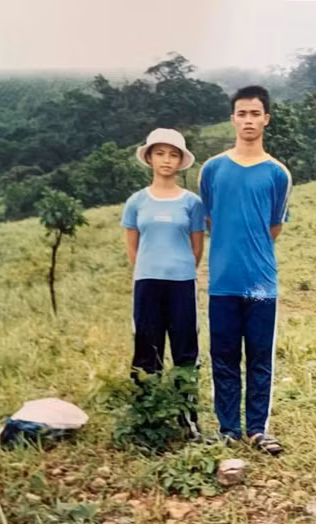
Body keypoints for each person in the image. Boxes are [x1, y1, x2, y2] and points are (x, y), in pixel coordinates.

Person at [198, 85, 292, 456]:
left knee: (258, 357)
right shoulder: (212, 169)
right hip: (222, 283)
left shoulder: (278, 174)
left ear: (266, 118)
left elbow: (274, 227)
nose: (248, 120)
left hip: (260, 286)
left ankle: (257, 429)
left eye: (255, 113)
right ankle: (228, 429)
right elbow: (209, 219)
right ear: (232, 118)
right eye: (242, 113)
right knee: (223, 356)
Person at [121, 127, 205, 442]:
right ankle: (147, 421)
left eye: (173, 154)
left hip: (182, 283)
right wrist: (151, 267)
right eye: (160, 153)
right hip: (147, 284)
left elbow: (197, 248)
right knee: (146, 350)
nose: (166, 160)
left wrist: (179, 267)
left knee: (185, 351)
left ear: (181, 160)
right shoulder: (136, 202)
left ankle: (189, 421)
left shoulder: (192, 203)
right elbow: (133, 247)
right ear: (150, 158)